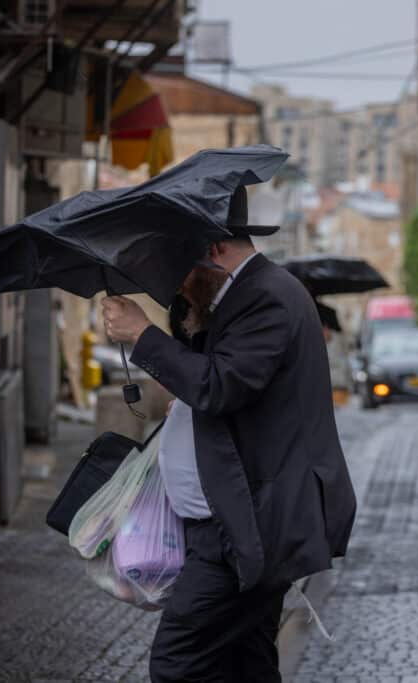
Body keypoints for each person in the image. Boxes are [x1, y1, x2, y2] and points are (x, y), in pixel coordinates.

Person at [101, 186, 357, 682]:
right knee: (246, 664)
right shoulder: (244, 295)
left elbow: (220, 386)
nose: (179, 281)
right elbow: (227, 384)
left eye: (184, 266)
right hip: (235, 524)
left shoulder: (266, 298)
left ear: (214, 249)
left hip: (245, 530)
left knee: (178, 662)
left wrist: (142, 335)